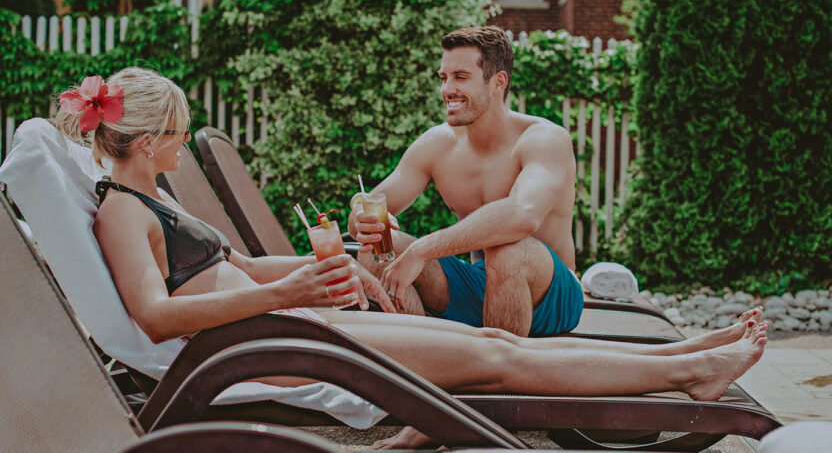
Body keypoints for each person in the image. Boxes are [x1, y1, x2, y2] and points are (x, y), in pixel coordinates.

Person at [54, 67, 768, 450]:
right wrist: (287, 293)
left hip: (284, 324)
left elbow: (234, 265)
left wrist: (323, 274)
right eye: (175, 135)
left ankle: (687, 361)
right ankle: (691, 371)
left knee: (490, 343)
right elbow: (154, 317)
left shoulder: (154, 201)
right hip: (266, 342)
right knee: (499, 361)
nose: (179, 147)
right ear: (149, 143)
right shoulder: (123, 209)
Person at [349, 25, 580, 337]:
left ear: (498, 82)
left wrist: (422, 250)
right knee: (379, 246)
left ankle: (502, 372)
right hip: (479, 285)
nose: (447, 89)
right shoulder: (438, 144)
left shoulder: (543, 139)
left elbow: (521, 215)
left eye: (460, 77)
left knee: (506, 250)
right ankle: (422, 362)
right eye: (444, 78)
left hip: (550, 296)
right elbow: (370, 203)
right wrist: (362, 218)